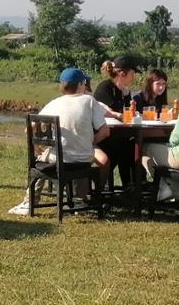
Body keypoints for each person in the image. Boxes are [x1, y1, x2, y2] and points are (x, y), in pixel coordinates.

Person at [8, 67, 110, 214]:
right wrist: (91, 142)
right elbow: (105, 131)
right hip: (83, 160)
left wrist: (36, 145)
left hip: (59, 160)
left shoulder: (54, 103)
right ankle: (79, 201)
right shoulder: (89, 101)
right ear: (81, 84)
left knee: (43, 157)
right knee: (82, 153)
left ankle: (30, 202)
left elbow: (28, 129)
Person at [92, 55, 143, 190]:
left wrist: (127, 97)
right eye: (132, 73)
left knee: (131, 145)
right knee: (126, 147)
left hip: (116, 134)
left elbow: (127, 114)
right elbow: (106, 111)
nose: (134, 77)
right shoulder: (105, 88)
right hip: (101, 135)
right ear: (122, 73)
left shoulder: (124, 92)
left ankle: (131, 184)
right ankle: (122, 185)